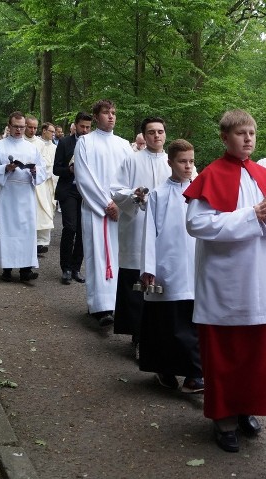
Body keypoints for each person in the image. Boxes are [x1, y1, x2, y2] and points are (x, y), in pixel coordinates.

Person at [184, 109, 266, 453]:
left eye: (252, 133)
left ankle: (247, 408)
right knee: (224, 353)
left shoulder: (265, 174)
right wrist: (251, 215)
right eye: (240, 133)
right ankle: (224, 418)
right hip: (224, 281)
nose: (248, 138)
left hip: (261, 280)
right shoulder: (212, 174)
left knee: (257, 355)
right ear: (224, 138)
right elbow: (197, 224)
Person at [138, 139, 203, 393]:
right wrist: (148, 268)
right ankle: (164, 370)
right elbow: (149, 233)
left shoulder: (199, 192)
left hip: (194, 263)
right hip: (168, 264)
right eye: (182, 161)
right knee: (167, 322)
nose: (188, 166)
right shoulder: (158, 194)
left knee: (192, 320)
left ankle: (193, 374)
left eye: (191, 161)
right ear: (170, 162)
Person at [74, 100, 134, 325]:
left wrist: (120, 204)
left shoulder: (124, 145)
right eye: (106, 113)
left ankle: (119, 303)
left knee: (120, 257)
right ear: (96, 116)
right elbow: (84, 177)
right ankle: (100, 307)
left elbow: (132, 177)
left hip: (119, 211)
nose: (111, 116)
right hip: (96, 209)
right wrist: (106, 203)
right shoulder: (85, 142)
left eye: (114, 113)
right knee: (98, 255)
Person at [113, 116, 171, 346]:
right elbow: (116, 190)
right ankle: (137, 334)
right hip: (136, 225)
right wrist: (133, 195)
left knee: (163, 279)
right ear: (144, 136)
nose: (156, 136)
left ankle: (160, 334)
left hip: (166, 229)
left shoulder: (174, 161)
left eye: (160, 131)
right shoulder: (132, 160)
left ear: (165, 134)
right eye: (151, 132)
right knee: (135, 279)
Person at [0, 111, 48, 282]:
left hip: (26, 194)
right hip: (7, 194)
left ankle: (26, 270)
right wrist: (5, 168)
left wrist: (35, 171)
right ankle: (7, 268)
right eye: (16, 127)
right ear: (9, 126)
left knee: (26, 232)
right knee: (8, 231)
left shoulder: (32, 148)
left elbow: (43, 169)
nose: (19, 130)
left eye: (22, 127)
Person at [54, 112, 91, 285]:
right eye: (82, 126)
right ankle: (66, 268)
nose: (85, 130)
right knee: (70, 227)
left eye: (88, 127)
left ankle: (76, 268)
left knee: (83, 230)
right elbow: (56, 169)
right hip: (68, 189)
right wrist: (68, 170)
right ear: (75, 125)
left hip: (86, 192)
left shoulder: (93, 144)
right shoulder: (64, 142)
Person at [35, 122, 57, 255]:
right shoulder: (36, 144)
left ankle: (43, 241)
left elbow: (55, 165)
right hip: (39, 183)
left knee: (50, 210)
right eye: (51, 131)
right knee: (39, 212)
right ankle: (36, 241)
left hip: (51, 183)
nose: (53, 134)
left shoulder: (55, 147)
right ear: (44, 131)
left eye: (54, 132)